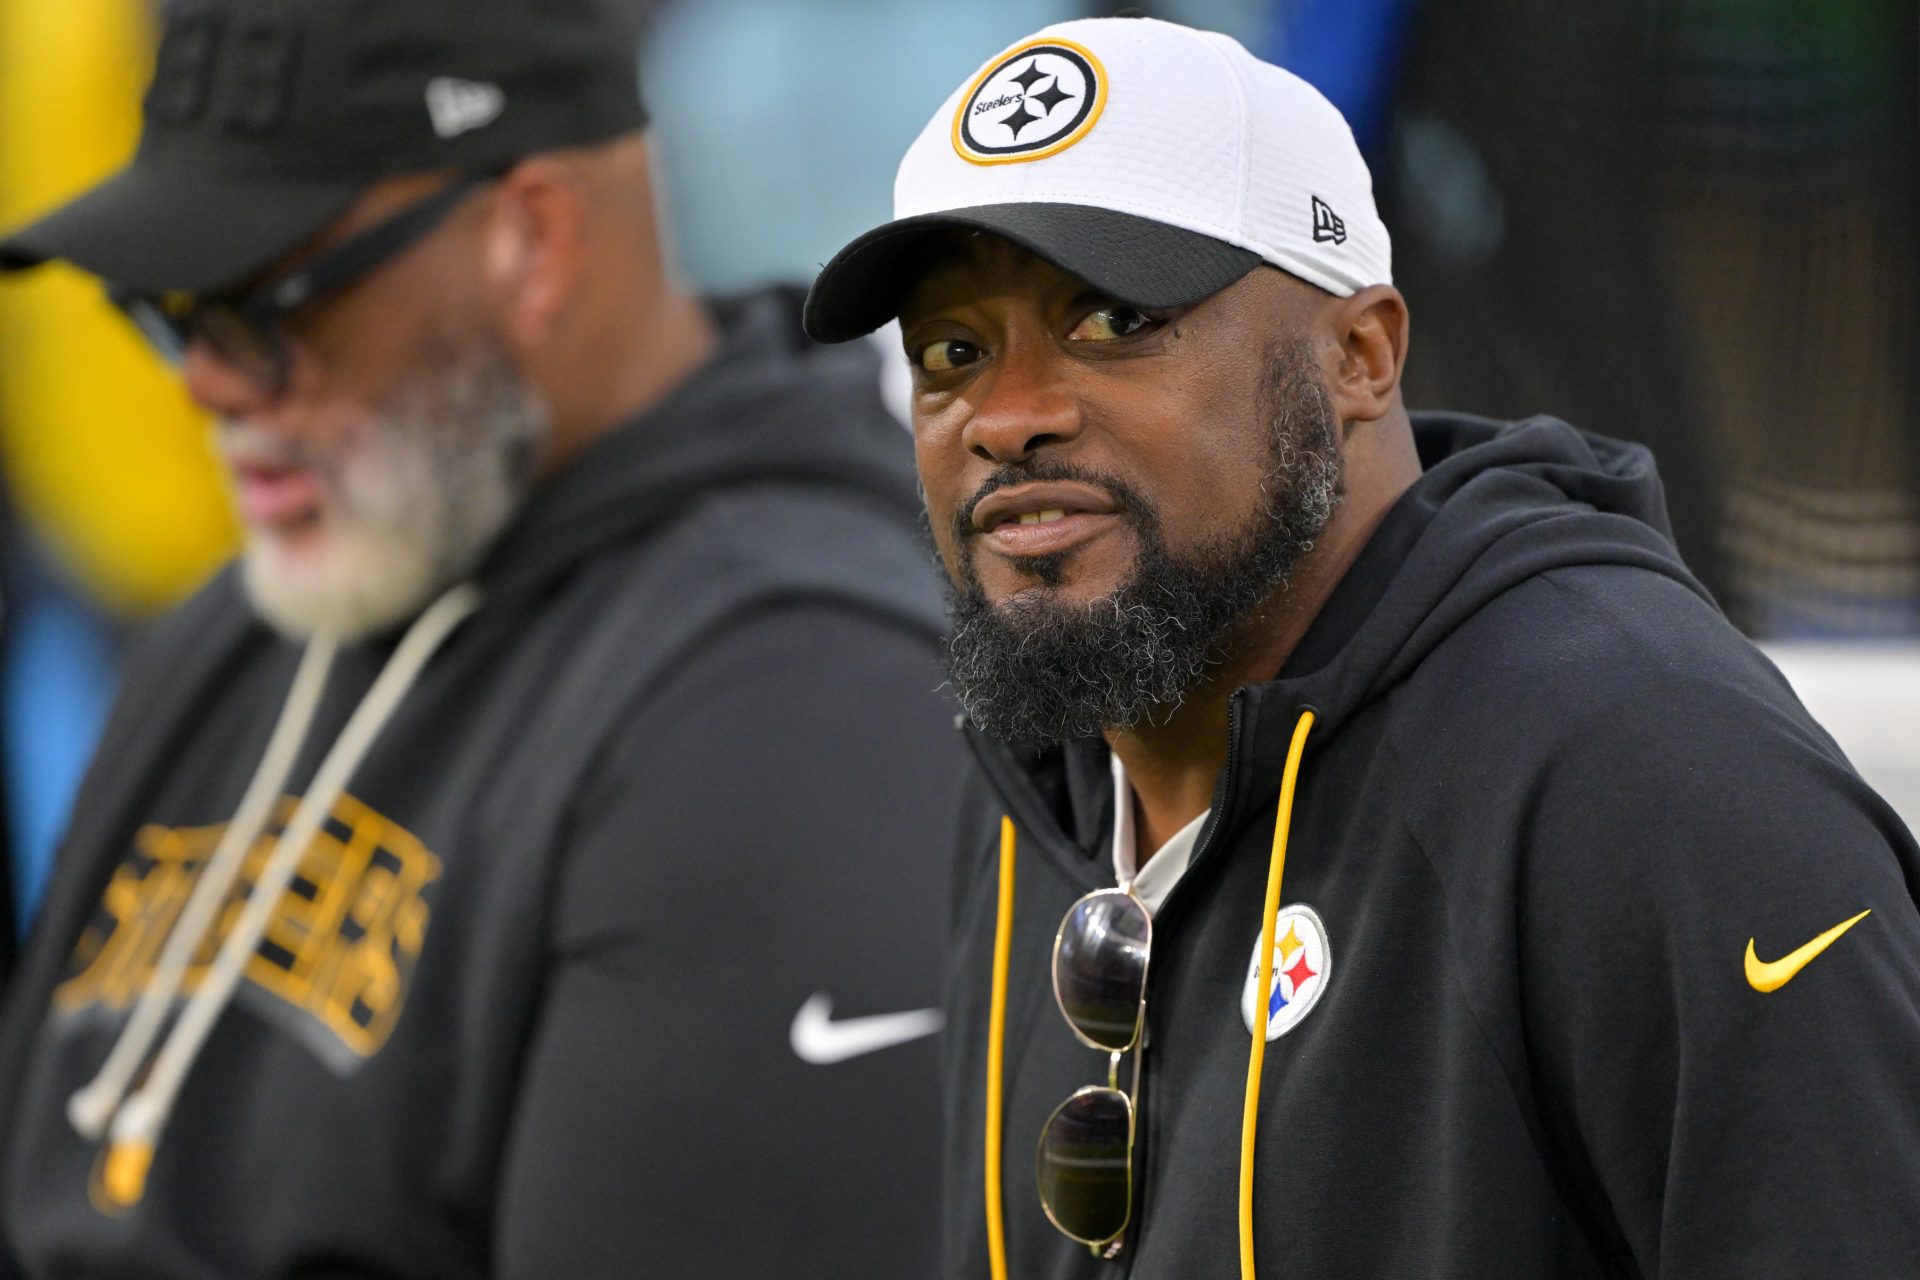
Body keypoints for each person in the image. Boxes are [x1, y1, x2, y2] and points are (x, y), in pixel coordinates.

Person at [803, 15, 1920, 1279]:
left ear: (1361, 353)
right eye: (953, 352)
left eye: (1114, 319)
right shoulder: (1041, 767)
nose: (1009, 416)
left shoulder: (1644, 769)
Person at [0, 1, 964, 1275]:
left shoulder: (790, 701)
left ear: (533, 236)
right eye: (165, 304)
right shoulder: (245, 621)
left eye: (266, 303)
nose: (208, 381)